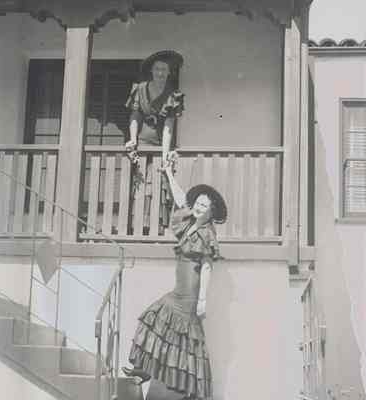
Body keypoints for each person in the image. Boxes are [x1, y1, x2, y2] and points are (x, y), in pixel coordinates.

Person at [122, 166, 227, 400]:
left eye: (204, 206)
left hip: (189, 295)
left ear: (211, 212)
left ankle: (187, 390)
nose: (198, 207)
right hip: (178, 291)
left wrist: (202, 300)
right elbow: (181, 199)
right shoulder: (189, 222)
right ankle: (144, 369)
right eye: (198, 203)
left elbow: (207, 266)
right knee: (155, 319)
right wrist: (169, 174)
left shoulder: (207, 233)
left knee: (184, 342)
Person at [125, 50, 184, 235]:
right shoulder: (140, 89)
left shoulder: (173, 95)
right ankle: (137, 226)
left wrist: (164, 155)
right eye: (157, 69)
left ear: (169, 72)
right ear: (151, 70)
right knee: (141, 184)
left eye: (164, 69)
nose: (160, 73)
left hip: (161, 145)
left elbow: (168, 127)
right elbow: (135, 117)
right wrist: (132, 140)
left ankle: (157, 228)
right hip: (142, 143)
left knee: (160, 184)